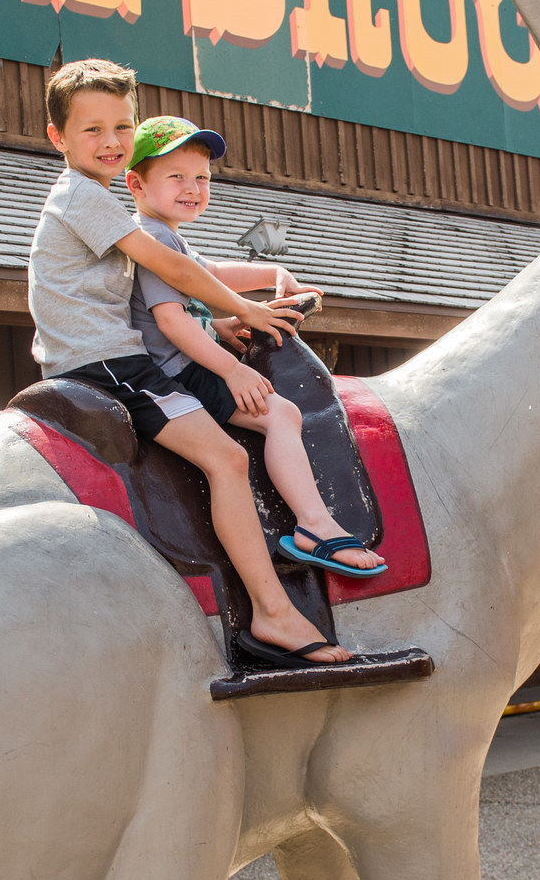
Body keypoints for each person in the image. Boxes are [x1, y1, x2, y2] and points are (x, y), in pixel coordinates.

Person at [24, 59, 340, 670]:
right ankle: (273, 612)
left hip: (117, 353)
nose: (111, 141)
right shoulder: (80, 197)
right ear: (57, 138)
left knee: (253, 431)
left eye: (121, 125)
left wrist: (220, 322)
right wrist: (249, 314)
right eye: (91, 130)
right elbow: (173, 271)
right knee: (225, 458)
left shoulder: (101, 202)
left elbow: (164, 291)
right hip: (105, 363)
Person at [123, 117, 384, 581]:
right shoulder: (155, 238)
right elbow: (170, 319)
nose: (193, 187)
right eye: (176, 176)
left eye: (202, 177)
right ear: (136, 184)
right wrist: (233, 370)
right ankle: (315, 525)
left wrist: (272, 276)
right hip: (179, 370)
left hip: (185, 359)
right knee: (282, 413)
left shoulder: (166, 235)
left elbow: (212, 275)